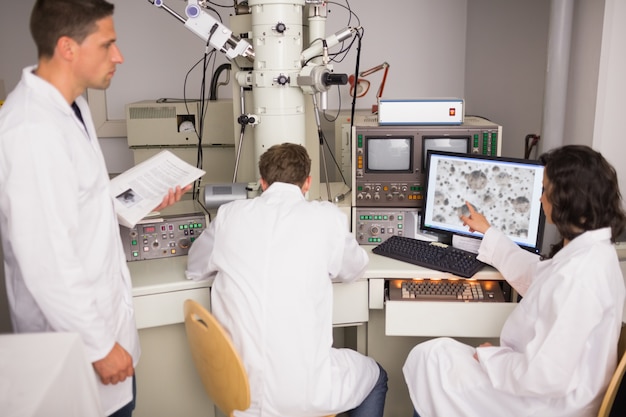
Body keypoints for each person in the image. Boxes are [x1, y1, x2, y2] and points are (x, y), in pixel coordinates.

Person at [0, 1, 189, 416]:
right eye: (108, 45)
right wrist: (100, 346)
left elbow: (76, 203)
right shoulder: (30, 130)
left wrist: (142, 197)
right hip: (76, 348)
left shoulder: (73, 106)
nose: (118, 56)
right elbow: (46, 262)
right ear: (68, 48)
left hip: (105, 329)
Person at [402, 145, 626, 417]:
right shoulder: (592, 254)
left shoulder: (579, 276)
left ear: (567, 200)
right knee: (438, 356)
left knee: (432, 359)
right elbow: (537, 276)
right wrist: (488, 232)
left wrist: (492, 357)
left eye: (545, 190)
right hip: (552, 391)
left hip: (547, 405)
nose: (540, 199)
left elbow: (544, 377)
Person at [186, 143, 388, 417]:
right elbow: (355, 269)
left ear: (262, 183)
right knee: (376, 376)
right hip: (302, 398)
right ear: (308, 183)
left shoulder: (229, 215)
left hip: (236, 391)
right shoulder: (327, 217)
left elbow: (195, 267)